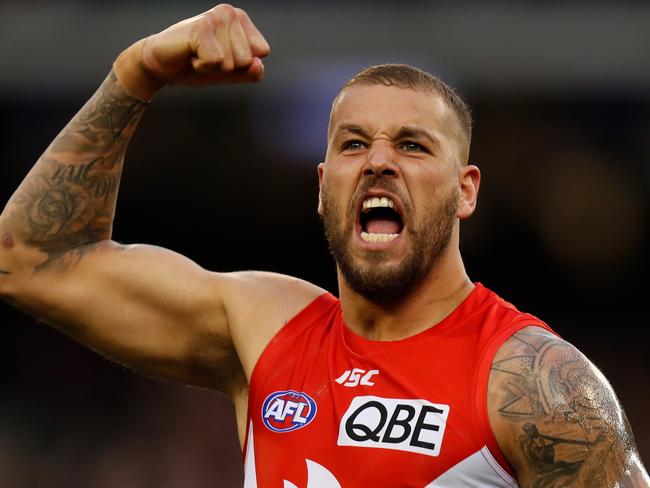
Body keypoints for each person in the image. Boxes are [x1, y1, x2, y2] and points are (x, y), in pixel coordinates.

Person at [0, 4, 647, 487]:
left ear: (465, 190)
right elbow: (31, 259)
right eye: (353, 144)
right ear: (322, 187)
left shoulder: (535, 388)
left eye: (414, 145)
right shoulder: (261, 330)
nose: (378, 163)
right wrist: (134, 74)